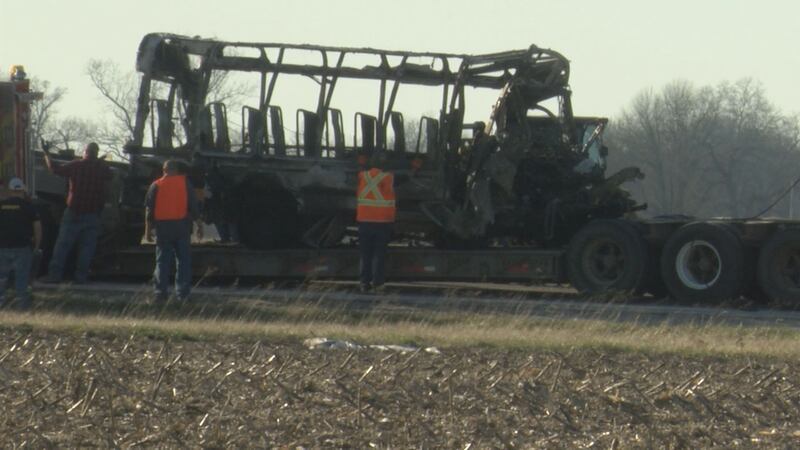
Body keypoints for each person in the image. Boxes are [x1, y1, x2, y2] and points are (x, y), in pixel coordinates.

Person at [41, 141, 112, 284]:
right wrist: (99, 162)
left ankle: (54, 276)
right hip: (93, 214)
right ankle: (81, 277)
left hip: (74, 212)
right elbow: (111, 175)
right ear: (97, 153)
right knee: (87, 248)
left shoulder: (77, 165)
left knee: (63, 246)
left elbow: (55, 169)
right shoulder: (101, 168)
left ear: (85, 152)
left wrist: (47, 154)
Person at [144, 159, 202, 303]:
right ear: (177, 170)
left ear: (164, 170)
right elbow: (193, 206)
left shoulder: (155, 185)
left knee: (162, 261)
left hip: (163, 229)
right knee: (183, 261)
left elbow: (149, 211)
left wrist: (147, 230)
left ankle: (160, 294)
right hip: (182, 227)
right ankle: (183, 295)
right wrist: (199, 224)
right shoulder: (185, 183)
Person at [356, 152, 396, 293]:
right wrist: (415, 168)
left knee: (365, 254)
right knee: (379, 255)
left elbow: (358, 172)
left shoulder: (363, 176)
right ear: (384, 166)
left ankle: (363, 284)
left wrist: (361, 162)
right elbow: (404, 179)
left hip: (364, 222)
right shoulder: (388, 178)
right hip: (382, 223)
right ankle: (377, 285)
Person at [0, 178, 42, 310]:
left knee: (1, 277)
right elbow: (37, 228)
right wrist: (36, 246)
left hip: (2, 247)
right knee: (22, 278)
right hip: (23, 247)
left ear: (10, 191)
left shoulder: (1, 205)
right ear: (23, 190)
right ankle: (21, 307)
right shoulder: (29, 207)